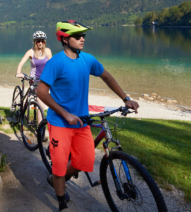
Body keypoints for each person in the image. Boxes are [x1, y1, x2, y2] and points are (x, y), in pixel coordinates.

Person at [36, 20, 139, 211]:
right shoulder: (56, 63)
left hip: (81, 122)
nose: (82, 38)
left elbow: (106, 76)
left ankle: (56, 178)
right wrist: (65, 113)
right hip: (60, 122)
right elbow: (41, 92)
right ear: (65, 39)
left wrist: (126, 98)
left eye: (84, 35)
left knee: (84, 160)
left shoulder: (88, 59)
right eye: (77, 36)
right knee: (58, 166)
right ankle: (61, 202)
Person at [15, 31, 52, 120]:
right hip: (34, 81)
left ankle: (25, 107)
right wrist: (18, 72)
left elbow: (52, 66)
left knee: (40, 102)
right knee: (41, 106)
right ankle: (40, 130)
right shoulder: (31, 52)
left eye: (42, 41)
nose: (40, 43)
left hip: (45, 81)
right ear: (35, 42)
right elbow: (21, 63)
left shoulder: (48, 51)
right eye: (38, 41)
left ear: (44, 42)